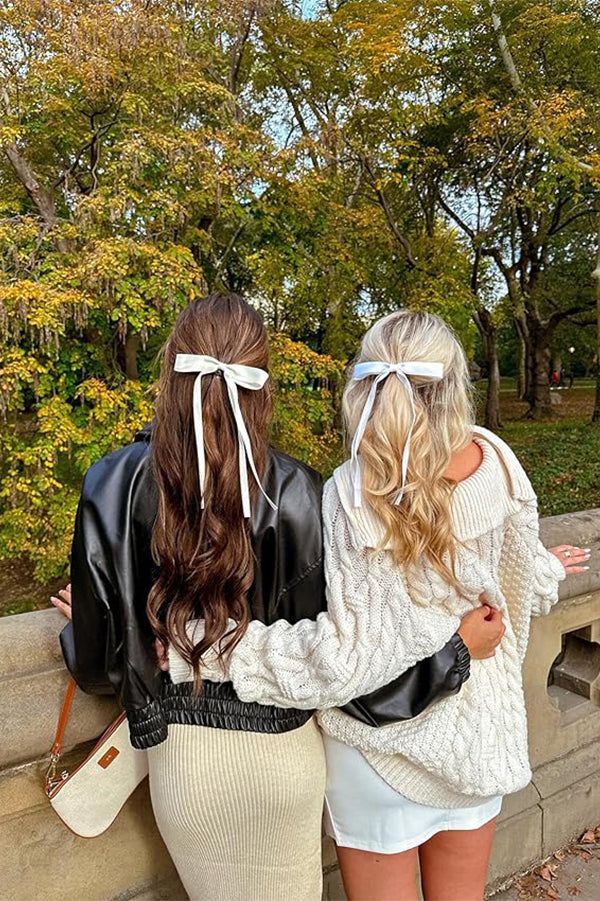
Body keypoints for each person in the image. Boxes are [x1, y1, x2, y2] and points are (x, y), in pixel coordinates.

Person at [52, 295, 504, 901]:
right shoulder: (299, 491)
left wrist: (93, 624)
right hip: (286, 755)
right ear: (261, 386)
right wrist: (452, 651)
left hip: (187, 762)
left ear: (169, 373)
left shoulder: (112, 481)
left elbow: (96, 666)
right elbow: (339, 659)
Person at [167, 310, 589, 901]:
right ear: (454, 386)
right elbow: (512, 582)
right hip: (477, 741)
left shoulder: (349, 493)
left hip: (375, 755)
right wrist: (545, 571)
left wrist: (205, 650)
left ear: (363, 385)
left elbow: (345, 660)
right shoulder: (498, 463)